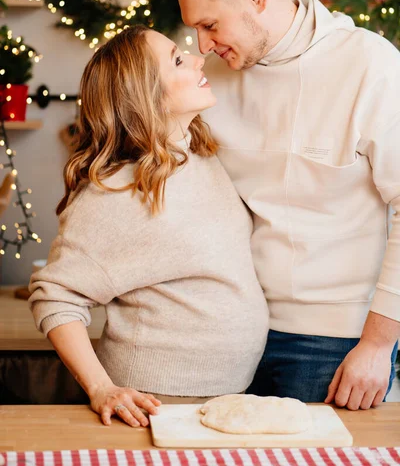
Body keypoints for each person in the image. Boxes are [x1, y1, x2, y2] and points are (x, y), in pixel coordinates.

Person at [170, 0, 400, 410]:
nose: (202, 45)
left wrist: (378, 344)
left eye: (210, 25)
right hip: (226, 331)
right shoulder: (205, 80)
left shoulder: (369, 65)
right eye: (195, 29)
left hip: (333, 340)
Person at [29, 24, 269, 427]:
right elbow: (55, 296)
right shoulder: (118, 192)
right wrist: (102, 388)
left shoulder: (199, 155)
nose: (197, 58)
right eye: (178, 59)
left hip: (227, 393)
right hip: (157, 403)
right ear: (145, 96)